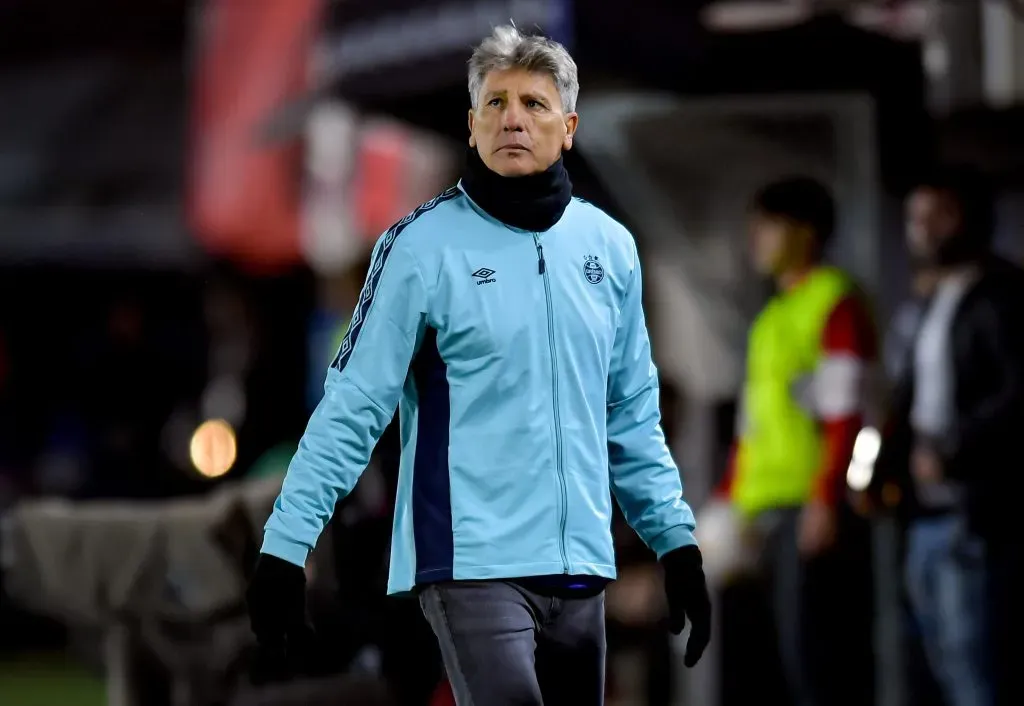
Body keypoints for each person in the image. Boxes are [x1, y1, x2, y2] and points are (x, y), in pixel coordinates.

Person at [245, 25, 711, 706]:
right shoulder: (420, 249)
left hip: (579, 567)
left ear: (569, 128)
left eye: (534, 103)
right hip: (468, 563)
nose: (513, 119)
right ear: (472, 125)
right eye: (496, 103)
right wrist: (287, 547)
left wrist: (676, 545)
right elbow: (351, 407)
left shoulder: (610, 249)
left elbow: (632, 419)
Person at [715, 176, 876, 706]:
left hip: (806, 509)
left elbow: (848, 411)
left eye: (768, 226)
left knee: (815, 661)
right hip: (762, 513)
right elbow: (751, 426)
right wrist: (728, 501)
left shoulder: (833, 301)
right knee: (767, 664)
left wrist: (826, 498)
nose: (755, 238)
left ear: (806, 232)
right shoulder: (771, 317)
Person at [875, 166, 1024, 706]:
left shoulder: (1002, 296)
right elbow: (908, 396)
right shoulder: (932, 301)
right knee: (941, 661)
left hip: (977, 511)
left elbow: (1016, 393)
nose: (921, 228)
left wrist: (953, 448)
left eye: (936, 215)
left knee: (975, 666)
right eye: (914, 216)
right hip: (927, 513)